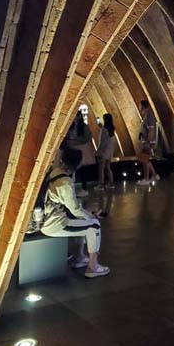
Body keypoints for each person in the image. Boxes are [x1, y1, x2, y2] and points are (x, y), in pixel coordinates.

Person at [41, 147, 110, 278]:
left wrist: (89, 215)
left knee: (84, 221)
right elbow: (76, 209)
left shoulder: (55, 172)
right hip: (55, 223)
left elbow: (73, 208)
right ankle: (93, 267)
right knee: (94, 226)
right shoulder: (65, 182)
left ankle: (79, 258)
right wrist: (92, 217)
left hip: (49, 218)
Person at [64, 110, 95, 197]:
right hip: (73, 150)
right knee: (72, 170)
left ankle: (84, 189)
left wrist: (76, 141)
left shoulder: (83, 127)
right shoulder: (71, 126)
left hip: (81, 151)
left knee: (81, 171)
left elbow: (88, 137)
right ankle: (72, 189)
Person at [137, 100, 160, 186]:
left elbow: (151, 129)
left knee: (144, 159)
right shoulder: (146, 116)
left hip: (148, 141)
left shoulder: (149, 116)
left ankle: (146, 179)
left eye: (140, 106)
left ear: (144, 106)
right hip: (145, 140)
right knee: (145, 159)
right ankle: (155, 175)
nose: (139, 108)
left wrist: (148, 141)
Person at [97, 113, 115, 189]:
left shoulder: (104, 130)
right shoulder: (112, 128)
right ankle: (111, 183)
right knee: (108, 167)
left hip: (103, 151)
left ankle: (101, 184)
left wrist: (98, 151)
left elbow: (102, 142)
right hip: (110, 151)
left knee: (101, 169)